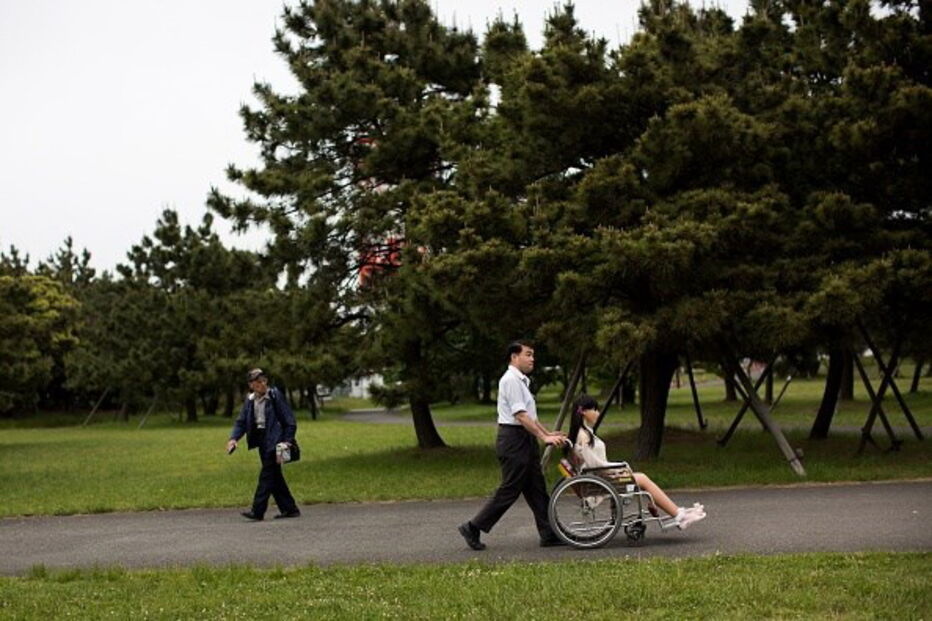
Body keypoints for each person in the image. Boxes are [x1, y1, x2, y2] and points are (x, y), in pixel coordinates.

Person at [458, 341, 568, 550]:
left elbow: (530, 417)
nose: (532, 359)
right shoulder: (510, 381)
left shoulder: (522, 381)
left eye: (533, 355)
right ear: (514, 357)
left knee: (537, 488)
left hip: (524, 438)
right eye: (528, 354)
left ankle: (549, 533)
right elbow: (520, 415)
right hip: (513, 441)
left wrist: (547, 434)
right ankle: (473, 527)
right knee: (510, 489)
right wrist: (544, 439)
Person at [567, 394, 706, 529]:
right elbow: (596, 465)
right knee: (643, 479)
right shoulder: (583, 436)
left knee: (641, 479)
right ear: (584, 411)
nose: (598, 413)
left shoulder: (584, 432)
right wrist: (619, 467)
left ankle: (668, 509)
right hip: (602, 479)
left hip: (601, 477)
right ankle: (677, 515)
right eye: (595, 409)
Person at [226, 368, 301, 521]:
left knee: (266, 475)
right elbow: (241, 422)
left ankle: (257, 511)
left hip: (276, 440)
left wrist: (287, 441)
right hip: (260, 440)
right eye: (257, 381)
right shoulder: (250, 400)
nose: (261, 383)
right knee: (275, 476)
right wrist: (234, 439)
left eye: (263, 380)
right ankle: (290, 508)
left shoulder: (274, 395)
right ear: (251, 385)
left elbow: (290, 421)